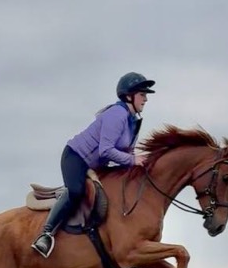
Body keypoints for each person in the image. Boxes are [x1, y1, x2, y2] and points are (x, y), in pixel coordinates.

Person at [31, 72, 155, 257]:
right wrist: (133, 160)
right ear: (129, 96)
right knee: (76, 191)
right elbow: (106, 150)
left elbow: (126, 153)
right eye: (142, 94)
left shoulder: (132, 121)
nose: (145, 99)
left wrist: (140, 163)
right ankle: (46, 234)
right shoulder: (117, 114)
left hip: (97, 164)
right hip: (75, 157)